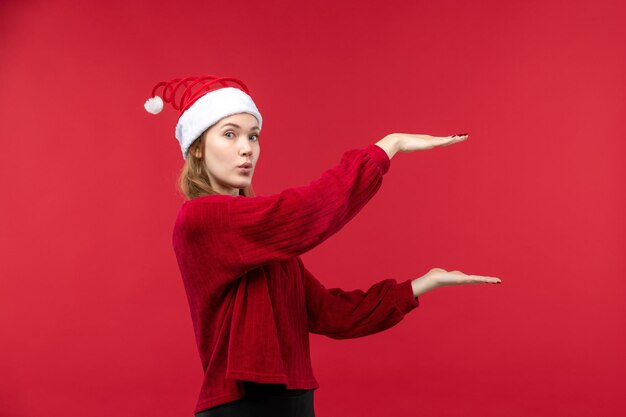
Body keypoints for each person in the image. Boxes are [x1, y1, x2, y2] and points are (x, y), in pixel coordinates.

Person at [144, 75, 502, 417]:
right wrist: (387, 147)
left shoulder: (263, 242)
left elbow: (330, 312)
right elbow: (310, 209)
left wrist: (424, 283)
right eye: (229, 134)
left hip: (294, 401)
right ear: (197, 151)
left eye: (253, 136)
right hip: (242, 406)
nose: (245, 148)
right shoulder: (202, 219)